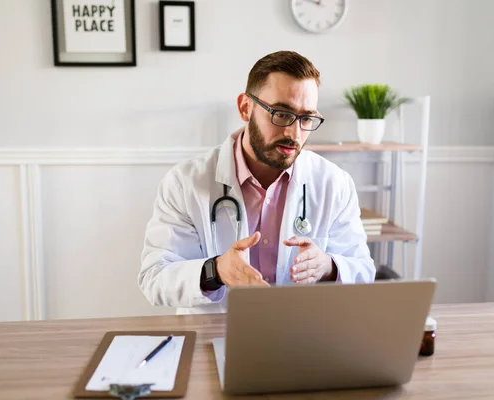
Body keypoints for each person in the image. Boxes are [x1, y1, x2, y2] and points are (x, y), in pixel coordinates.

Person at [139, 50, 375, 314]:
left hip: (303, 334)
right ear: (245, 107)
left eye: (306, 118)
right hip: (217, 335)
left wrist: (328, 266)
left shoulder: (334, 183)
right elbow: (155, 278)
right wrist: (216, 271)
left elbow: (363, 270)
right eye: (281, 114)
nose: (293, 133)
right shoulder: (185, 183)